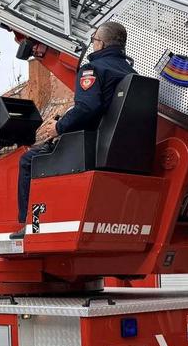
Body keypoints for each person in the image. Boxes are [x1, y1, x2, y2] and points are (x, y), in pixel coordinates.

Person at [13, 21, 134, 236]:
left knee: (28, 160)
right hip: (117, 148)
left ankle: (29, 224)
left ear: (101, 44)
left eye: (94, 40)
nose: (93, 44)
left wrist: (59, 127)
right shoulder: (130, 72)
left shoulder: (93, 69)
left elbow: (88, 107)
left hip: (87, 147)